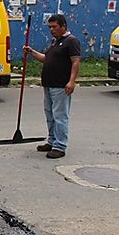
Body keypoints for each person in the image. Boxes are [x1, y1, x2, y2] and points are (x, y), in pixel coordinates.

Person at [24, 14, 80, 159]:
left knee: (60, 116)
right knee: (50, 114)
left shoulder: (71, 41)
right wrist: (32, 52)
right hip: (49, 84)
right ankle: (52, 140)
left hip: (61, 85)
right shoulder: (54, 42)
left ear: (63, 26)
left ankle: (60, 146)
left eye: (54, 27)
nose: (51, 30)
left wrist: (71, 81)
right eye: (50, 27)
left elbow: (75, 62)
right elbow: (46, 58)